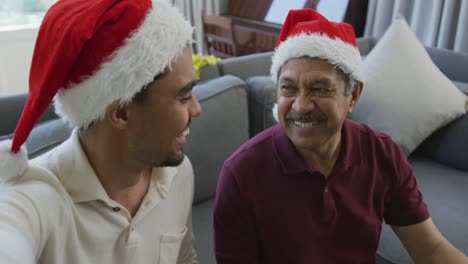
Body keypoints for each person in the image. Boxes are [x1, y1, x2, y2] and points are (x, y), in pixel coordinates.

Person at [213, 8, 468, 264]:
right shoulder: (241, 174)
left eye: (320, 88)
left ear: (353, 96)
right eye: (288, 88)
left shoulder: (382, 154)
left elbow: (431, 250)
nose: (300, 105)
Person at [0, 0, 201, 263]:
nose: (197, 109)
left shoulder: (178, 174)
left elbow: (185, 258)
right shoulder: (32, 199)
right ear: (121, 113)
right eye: (184, 98)